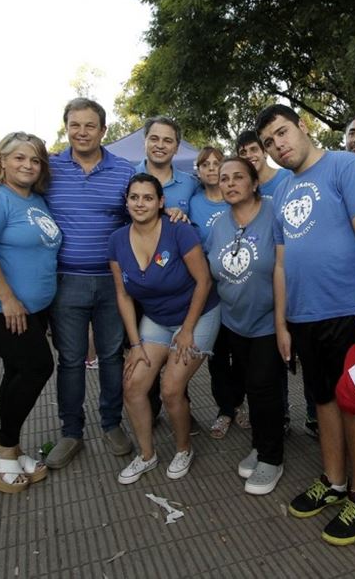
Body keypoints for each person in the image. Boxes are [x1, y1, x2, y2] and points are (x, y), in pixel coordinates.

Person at [0, 98, 135, 467]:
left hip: (111, 282)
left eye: (90, 125)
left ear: (103, 130)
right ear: (66, 127)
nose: (81, 132)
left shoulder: (124, 171)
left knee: (110, 356)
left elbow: (141, 212)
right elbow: (17, 189)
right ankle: (71, 432)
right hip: (65, 282)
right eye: (74, 125)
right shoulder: (50, 169)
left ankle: (111, 423)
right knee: (71, 360)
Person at [256, 104, 355, 546]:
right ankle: (334, 482)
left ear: (302, 127)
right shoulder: (282, 193)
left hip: (348, 314)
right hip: (303, 318)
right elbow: (279, 263)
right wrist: (282, 323)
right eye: (270, 143)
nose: (279, 146)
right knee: (323, 402)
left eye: (282, 133)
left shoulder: (344, 166)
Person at [0, 131, 61, 493]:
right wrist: (7, 297)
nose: (28, 165)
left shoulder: (36, 200)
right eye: (19, 157)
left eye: (35, 160)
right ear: (1, 161)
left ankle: (7, 446)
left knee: (17, 371)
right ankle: (2, 447)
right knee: (38, 366)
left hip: (33, 308)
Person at [109, 173, 220, 484]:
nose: (140, 203)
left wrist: (186, 330)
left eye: (147, 197)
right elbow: (123, 294)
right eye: (134, 197)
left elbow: (204, 281)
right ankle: (146, 455)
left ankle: (183, 448)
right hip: (157, 318)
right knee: (132, 384)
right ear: (127, 201)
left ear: (161, 202)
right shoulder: (117, 240)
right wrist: (134, 343)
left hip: (197, 314)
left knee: (171, 389)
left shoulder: (178, 230)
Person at [206, 156, 286, 494]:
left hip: (270, 320)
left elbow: (285, 265)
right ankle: (261, 443)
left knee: (263, 386)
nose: (230, 183)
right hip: (234, 321)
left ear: (254, 183)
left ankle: (272, 458)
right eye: (224, 178)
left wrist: (283, 322)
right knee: (253, 388)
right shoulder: (217, 225)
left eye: (239, 177)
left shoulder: (273, 213)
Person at [236, 129, 315, 436]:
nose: (250, 155)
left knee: (305, 356)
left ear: (264, 151)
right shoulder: (243, 188)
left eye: (255, 148)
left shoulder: (285, 180)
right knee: (277, 356)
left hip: (295, 279)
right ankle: (280, 414)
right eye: (243, 152)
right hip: (263, 283)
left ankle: (313, 414)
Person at [188, 146, 248, 438]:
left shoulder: (234, 198)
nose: (212, 169)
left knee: (243, 353)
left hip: (242, 287)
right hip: (210, 291)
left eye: (217, 163)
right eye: (205, 164)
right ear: (198, 171)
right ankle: (225, 409)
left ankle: (238, 404)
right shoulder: (192, 201)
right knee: (218, 355)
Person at [134, 116, 200, 217]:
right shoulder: (127, 176)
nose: (160, 145)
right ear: (145, 142)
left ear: (177, 148)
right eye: (154, 139)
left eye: (168, 141)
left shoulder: (191, 183)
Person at [235, 130, 293, 200]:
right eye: (243, 153)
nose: (248, 156)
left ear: (265, 152)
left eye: (253, 149)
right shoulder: (243, 191)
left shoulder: (289, 177)